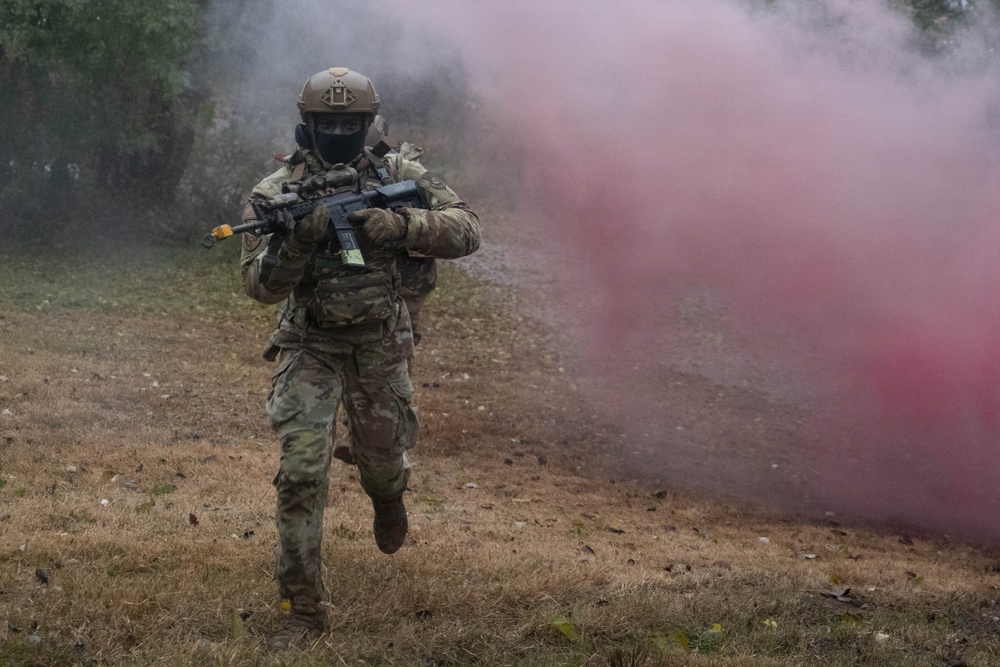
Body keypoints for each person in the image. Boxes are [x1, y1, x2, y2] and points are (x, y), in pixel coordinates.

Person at [239, 67, 481, 650]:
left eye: (352, 123)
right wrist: (297, 240)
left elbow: (468, 230)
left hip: (380, 341)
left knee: (381, 460)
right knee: (300, 472)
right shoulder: (277, 193)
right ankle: (303, 609)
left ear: (369, 124)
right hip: (310, 342)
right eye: (329, 124)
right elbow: (260, 287)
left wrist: (402, 225)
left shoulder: (401, 173)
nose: (342, 132)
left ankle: (388, 495)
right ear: (308, 128)